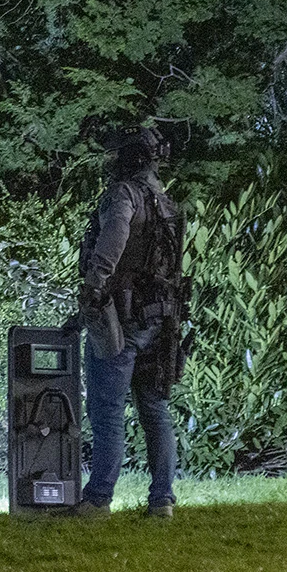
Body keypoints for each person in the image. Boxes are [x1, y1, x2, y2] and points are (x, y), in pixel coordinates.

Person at [73, 125, 186, 519]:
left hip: (120, 318)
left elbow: (112, 245)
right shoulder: (167, 203)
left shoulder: (125, 195)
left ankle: (98, 499)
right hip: (161, 320)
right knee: (155, 409)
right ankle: (162, 502)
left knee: (107, 410)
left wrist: (93, 290)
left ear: (130, 157)